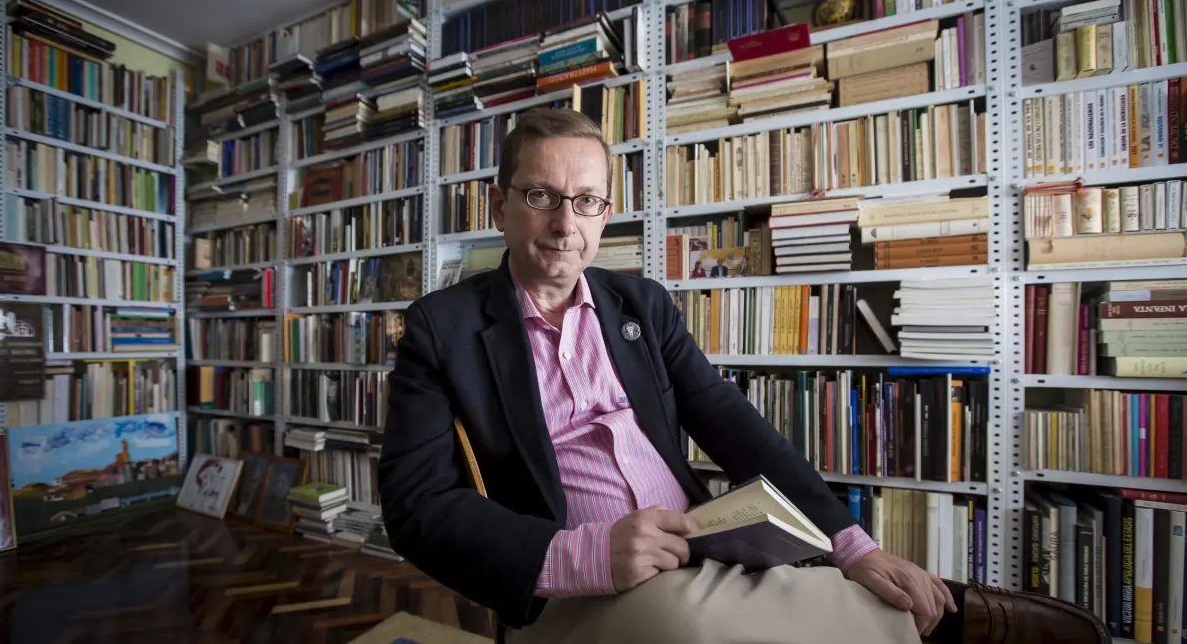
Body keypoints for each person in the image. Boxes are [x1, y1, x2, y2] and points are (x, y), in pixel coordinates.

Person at [377, 108, 1107, 644]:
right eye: (541, 196)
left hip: (699, 549)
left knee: (772, 595)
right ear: (499, 206)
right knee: (690, 627)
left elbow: (733, 425)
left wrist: (852, 544)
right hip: (569, 587)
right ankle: (934, 624)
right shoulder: (442, 328)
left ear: (605, 214)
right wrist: (583, 554)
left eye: (587, 201)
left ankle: (891, 605)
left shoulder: (640, 305)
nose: (566, 223)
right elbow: (415, 505)